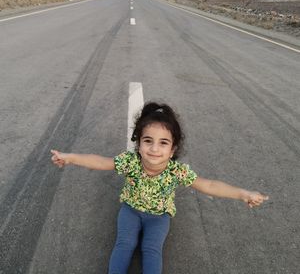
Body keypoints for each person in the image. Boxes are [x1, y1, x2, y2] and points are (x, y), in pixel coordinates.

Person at [51, 102, 269, 274]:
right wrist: (70, 158)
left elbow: (209, 184)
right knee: (124, 244)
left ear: (173, 149)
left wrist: (243, 193)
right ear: (139, 144)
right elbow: (100, 162)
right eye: (148, 141)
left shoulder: (177, 171)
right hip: (130, 210)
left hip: (159, 217)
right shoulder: (130, 161)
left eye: (163, 142)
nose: (154, 148)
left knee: (151, 250)